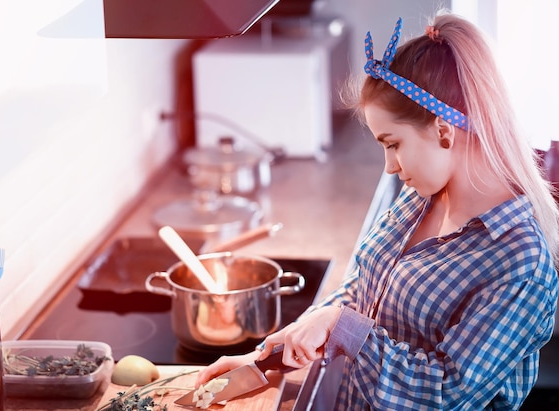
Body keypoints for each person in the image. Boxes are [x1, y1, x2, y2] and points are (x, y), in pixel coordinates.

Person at [195, 11, 559, 410]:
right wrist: (266, 357)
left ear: (443, 131)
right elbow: (361, 293)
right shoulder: (425, 196)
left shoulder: (521, 264)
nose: (389, 166)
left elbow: (443, 393)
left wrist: (342, 327)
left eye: (393, 143)